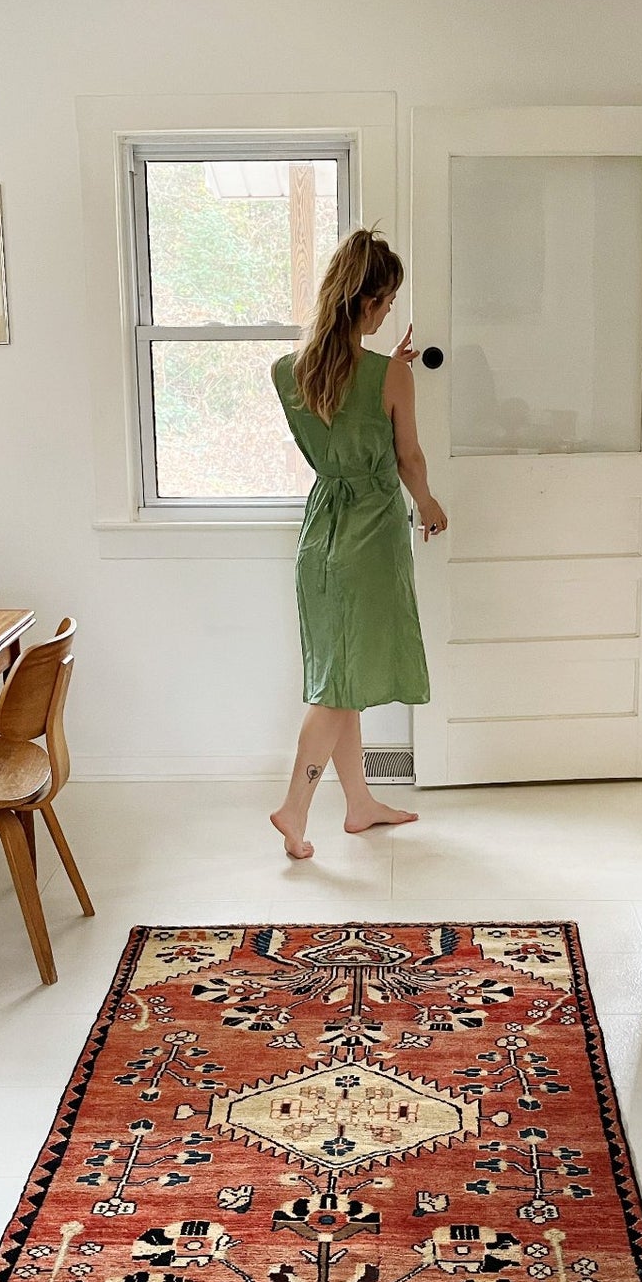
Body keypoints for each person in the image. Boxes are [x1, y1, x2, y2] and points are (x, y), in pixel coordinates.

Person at [269, 228, 447, 859]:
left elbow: (341, 417)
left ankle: (359, 803)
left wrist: (382, 369)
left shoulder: (290, 371)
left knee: (339, 671)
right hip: (369, 534)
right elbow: (409, 457)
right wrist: (427, 504)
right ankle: (294, 808)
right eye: (387, 300)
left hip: (319, 535)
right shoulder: (390, 377)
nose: (390, 311)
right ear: (367, 303)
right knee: (338, 685)